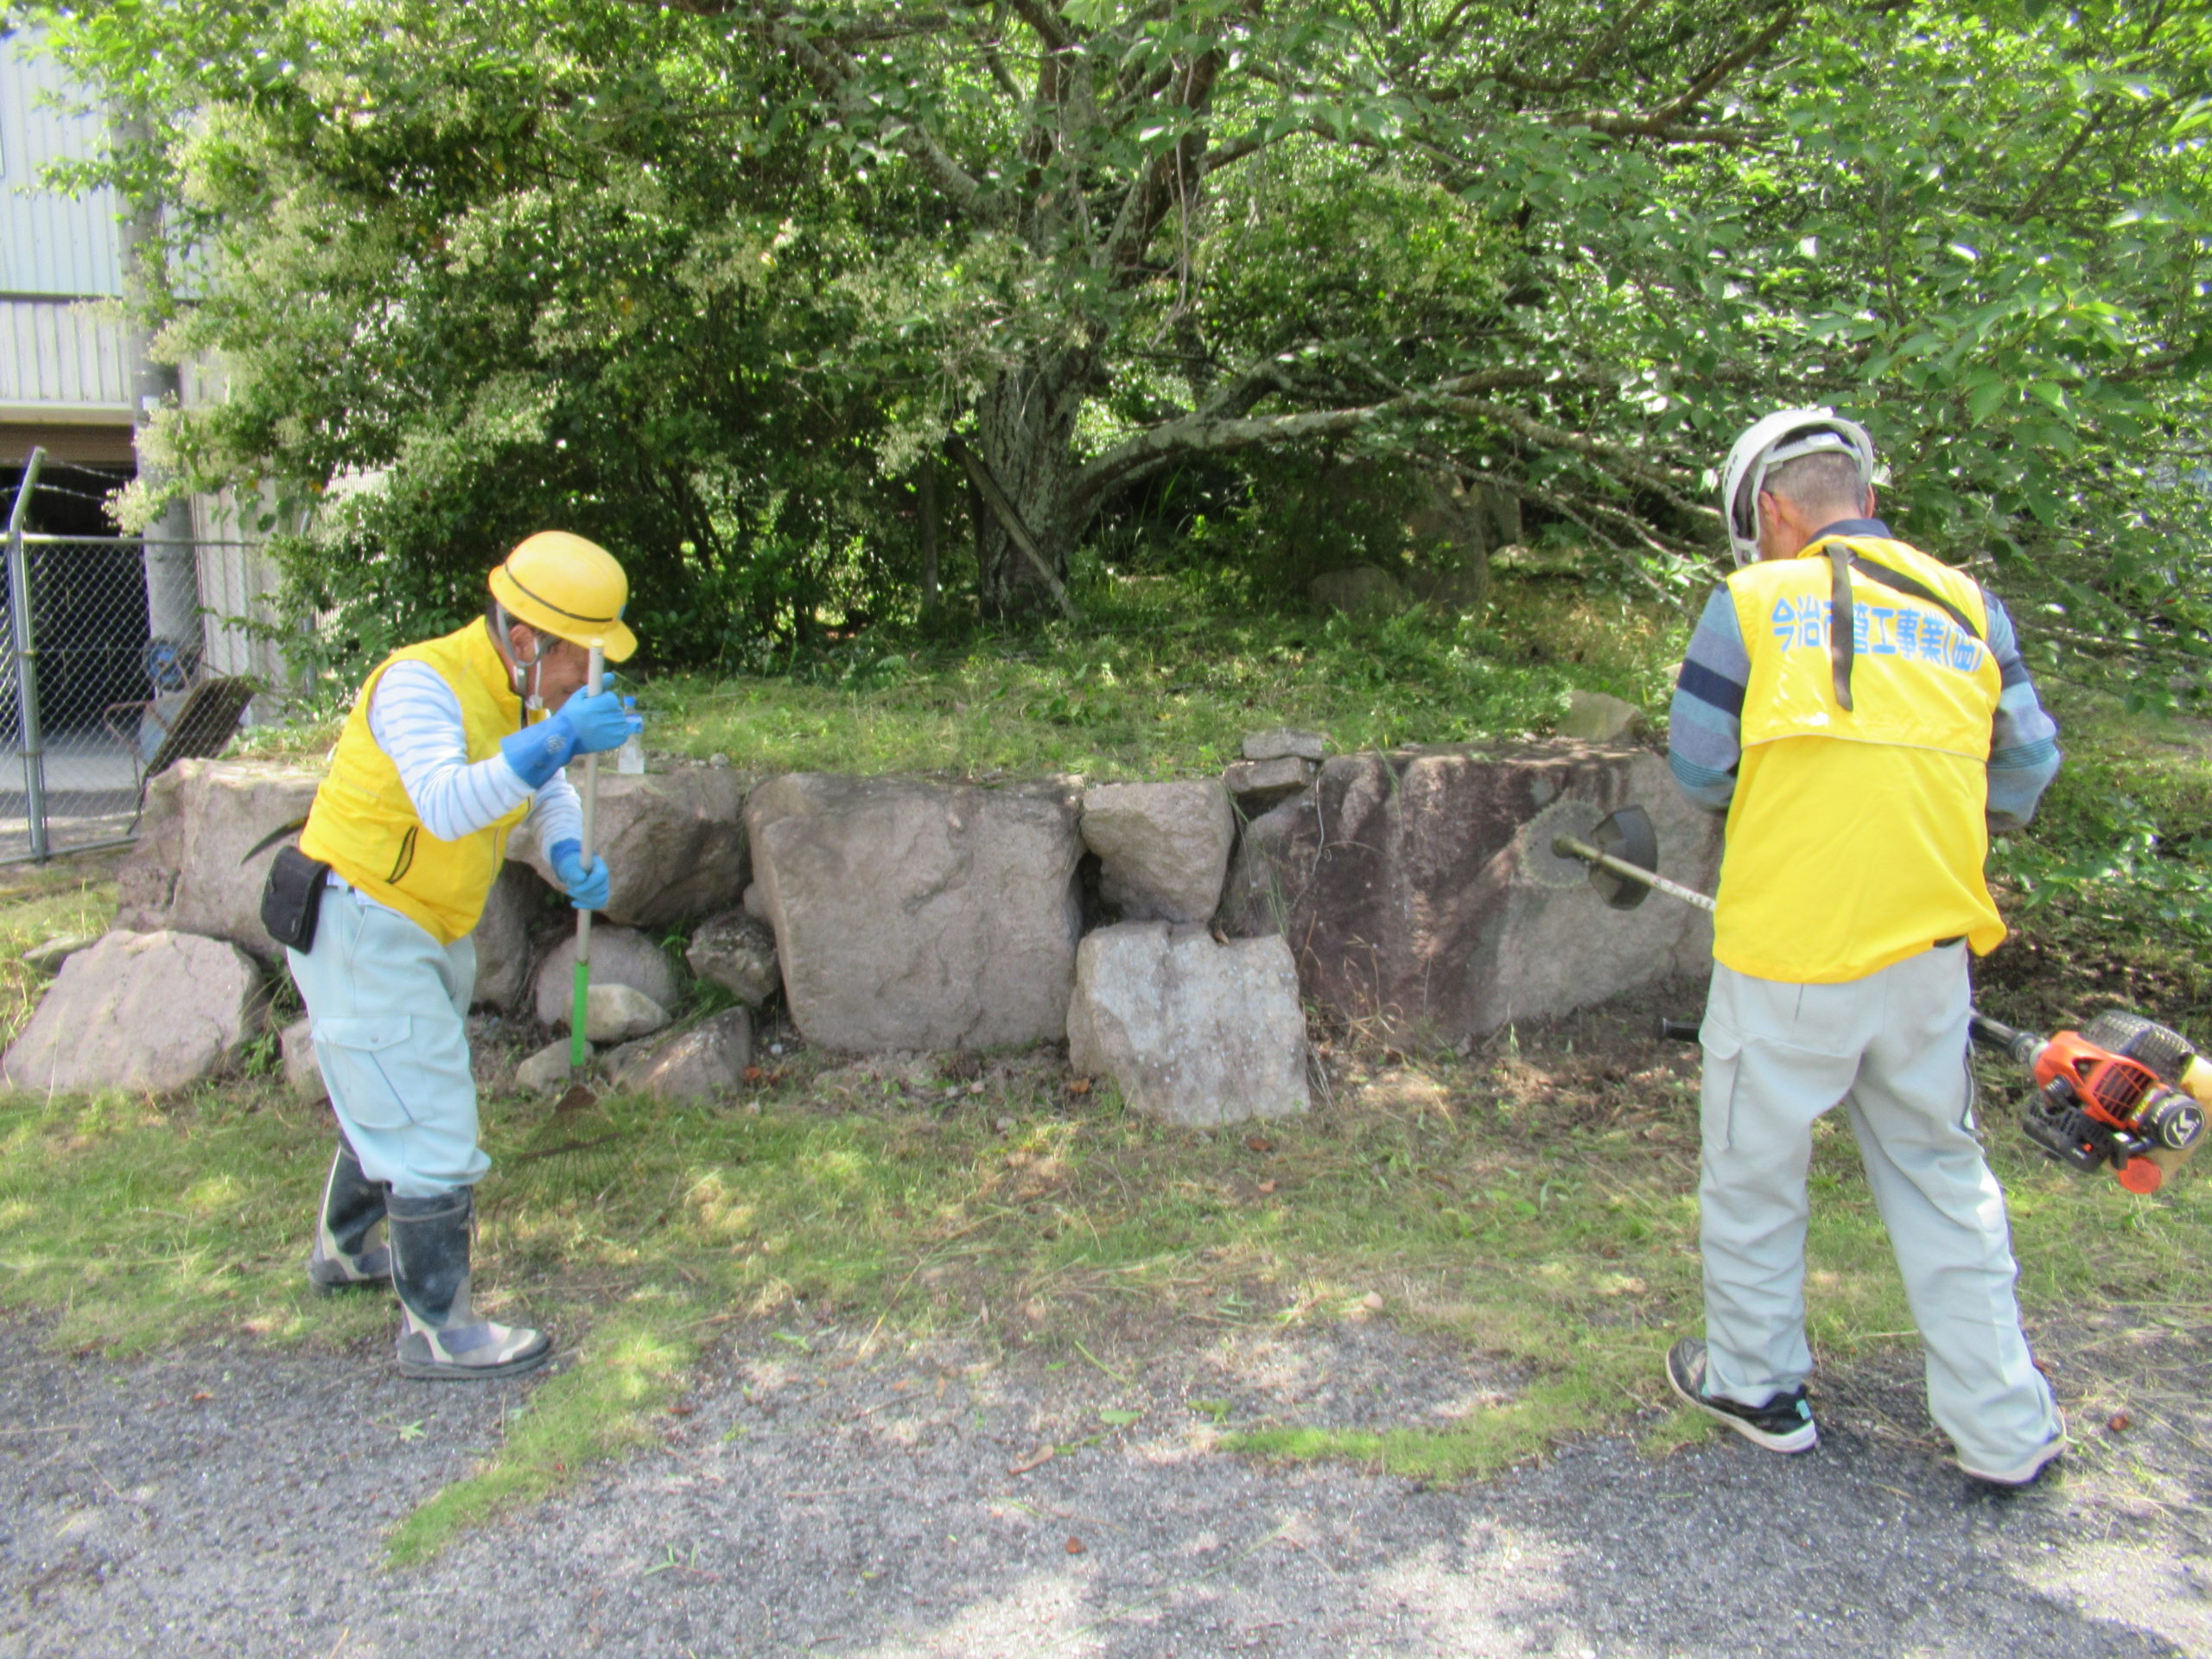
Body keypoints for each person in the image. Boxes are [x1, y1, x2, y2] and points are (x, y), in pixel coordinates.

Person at [1663, 408, 2066, 1485]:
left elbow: (1698, 766)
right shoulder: (1970, 606)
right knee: (1942, 1176)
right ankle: (2003, 1427)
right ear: (1868, 501)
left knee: (1754, 1173)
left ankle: (1755, 1384)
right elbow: (2028, 766)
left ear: (1770, 512)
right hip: (1929, 949)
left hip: (1786, 950)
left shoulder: (1751, 603)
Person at [288, 531, 639, 1379]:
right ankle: (439, 1332)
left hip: (424, 924)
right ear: (526, 640)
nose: (588, 681)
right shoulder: (419, 684)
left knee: (388, 1091)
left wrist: (564, 851)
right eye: (583, 659)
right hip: (361, 920)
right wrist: (558, 740)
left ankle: (344, 1250)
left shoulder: (520, 694)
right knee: (428, 1120)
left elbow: (545, 790)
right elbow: (446, 803)